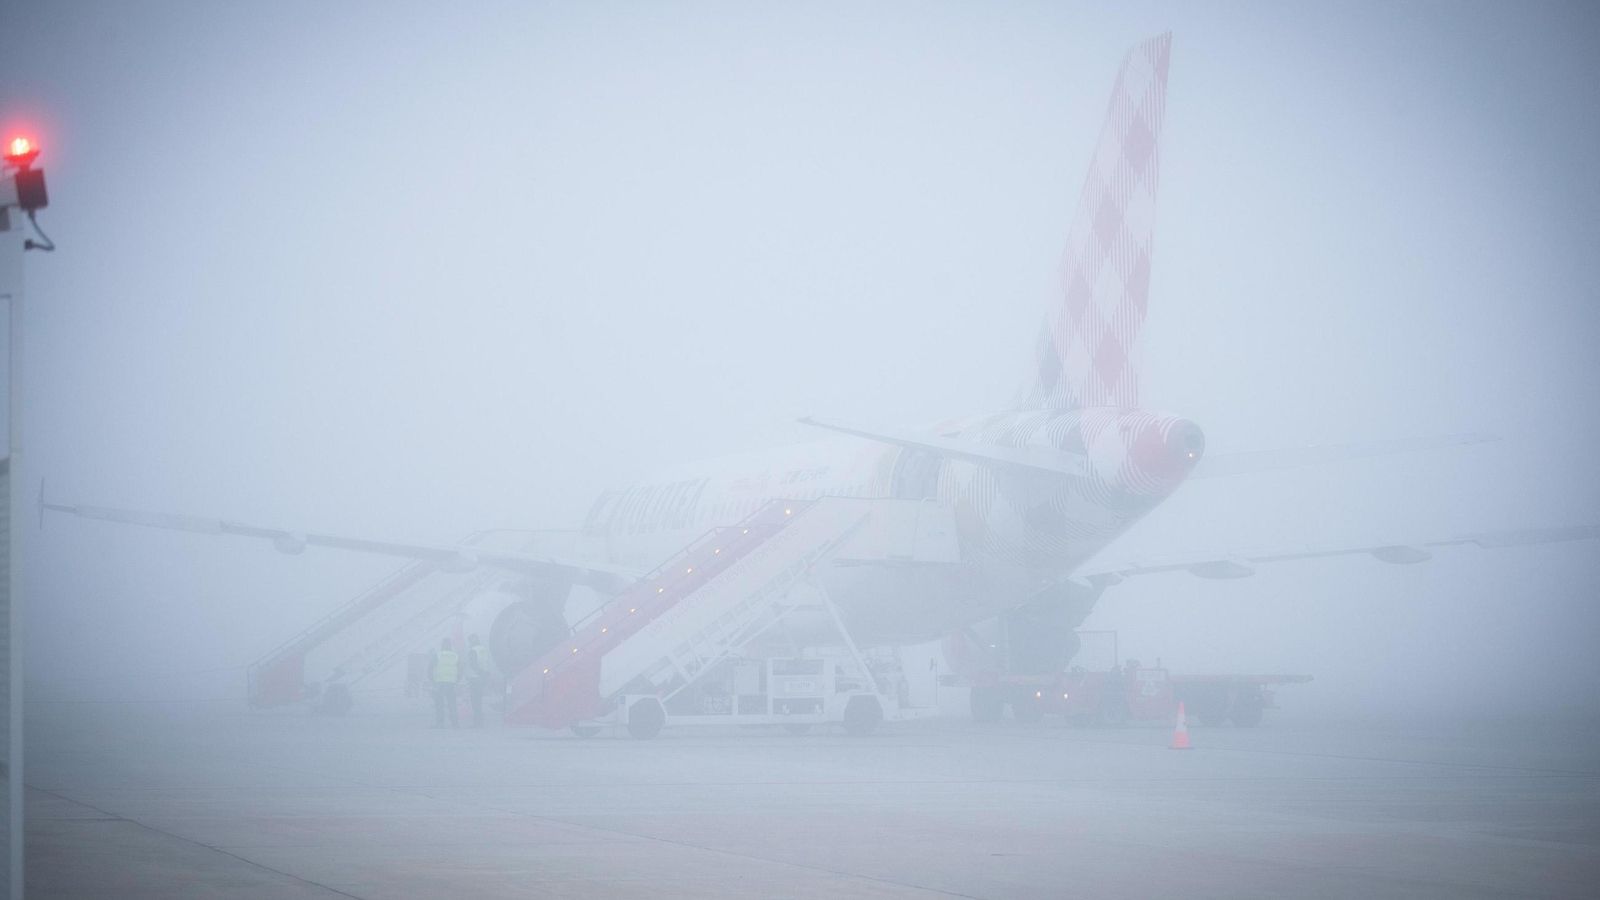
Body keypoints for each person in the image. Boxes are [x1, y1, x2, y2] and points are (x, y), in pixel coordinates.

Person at [431, 637, 462, 729]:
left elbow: (430, 667)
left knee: (439, 703)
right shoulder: (455, 656)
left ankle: (440, 723)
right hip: (451, 682)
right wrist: (457, 679)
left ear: (442, 645)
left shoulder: (438, 655)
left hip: (439, 682)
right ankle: (455, 723)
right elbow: (460, 669)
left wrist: (432, 680)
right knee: (452, 703)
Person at [464, 633, 493, 728]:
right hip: (482, 678)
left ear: (472, 641)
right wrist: (485, 675)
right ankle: (480, 721)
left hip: (474, 677)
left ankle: (477, 721)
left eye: (470, 641)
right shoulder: (484, 650)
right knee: (479, 700)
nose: (469, 643)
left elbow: (473, 665)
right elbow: (487, 663)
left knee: (475, 701)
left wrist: (480, 673)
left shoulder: (473, 650)